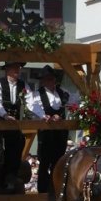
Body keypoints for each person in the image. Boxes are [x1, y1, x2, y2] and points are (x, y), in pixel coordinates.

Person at [0, 61, 42, 194]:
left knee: (16, 148)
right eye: (14, 67)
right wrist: (4, 115)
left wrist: (43, 116)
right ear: (7, 69)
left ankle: (9, 182)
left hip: (13, 123)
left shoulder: (23, 85)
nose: (17, 70)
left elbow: (31, 103)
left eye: (18, 67)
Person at [35, 66, 71, 194]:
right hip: (46, 133)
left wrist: (61, 117)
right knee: (44, 162)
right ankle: (43, 191)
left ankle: (56, 188)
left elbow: (74, 103)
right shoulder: (38, 94)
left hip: (60, 134)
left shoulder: (63, 93)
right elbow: (34, 108)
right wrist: (44, 116)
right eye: (48, 79)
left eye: (52, 79)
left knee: (58, 161)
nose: (51, 81)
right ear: (43, 81)